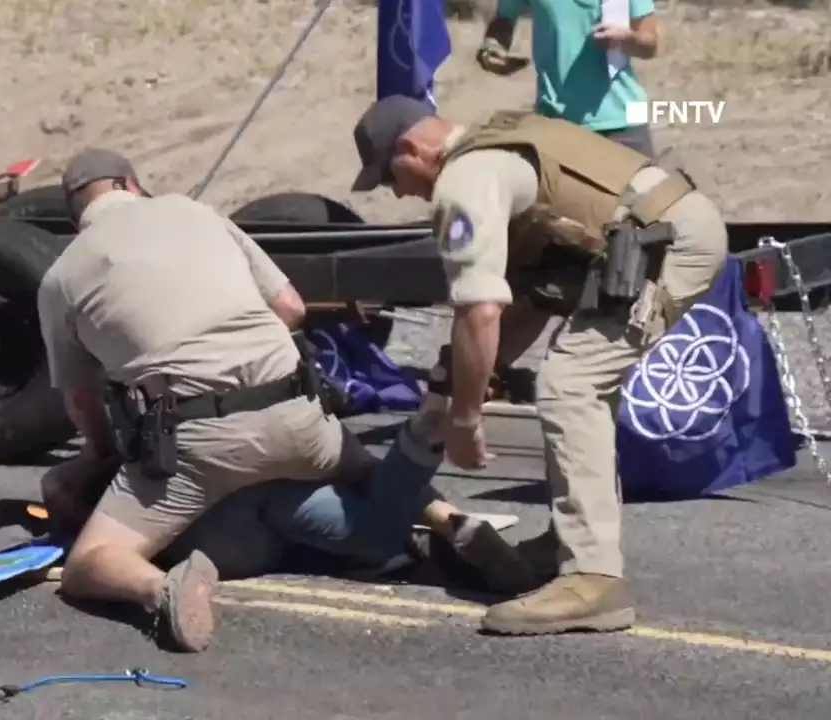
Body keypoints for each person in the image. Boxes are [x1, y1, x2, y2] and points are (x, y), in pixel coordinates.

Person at [37, 148, 530, 651]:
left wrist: (104, 452)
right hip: (296, 409)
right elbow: (291, 308)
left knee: (89, 562)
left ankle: (159, 587)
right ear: (130, 183)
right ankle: (447, 516)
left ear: (76, 212)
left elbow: (80, 398)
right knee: (362, 474)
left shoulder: (62, 276)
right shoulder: (194, 212)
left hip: (199, 440)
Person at [348, 95, 727, 635]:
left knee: (571, 383)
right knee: (578, 379)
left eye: (392, 175)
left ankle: (593, 579)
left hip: (667, 244)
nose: (399, 191)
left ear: (413, 148)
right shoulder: (500, 143)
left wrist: (464, 420)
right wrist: (458, 377)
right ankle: (567, 545)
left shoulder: (463, 181)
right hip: (658, 232)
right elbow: (534, 301)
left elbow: (480, 309)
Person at [43, 355, 537, 593]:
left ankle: (426, 475)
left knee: (370, 536)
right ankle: (443, 515)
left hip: (237, 521)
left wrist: (95, 462)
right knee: (356, 502)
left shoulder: (125, 504)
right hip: (273, 456)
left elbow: (60, 489)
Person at [477, 0, 661, 158]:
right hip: (556, 124)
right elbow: (504, 19)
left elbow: (650, 43)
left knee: (645, 197)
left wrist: (626, 39)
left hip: (623, 124)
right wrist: (493, 44)